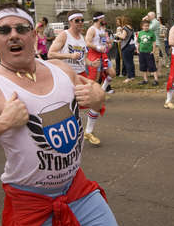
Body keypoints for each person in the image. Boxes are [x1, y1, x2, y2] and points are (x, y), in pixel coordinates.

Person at [0, 3, 129, 226]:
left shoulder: (61, 69)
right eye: (4, 30)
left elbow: (96, 94)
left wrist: (96, 97)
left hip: (78, 190)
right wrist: (2, 122)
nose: (13, 35)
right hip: (32, 204)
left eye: (21, 28)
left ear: (33, 34)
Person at [48, 10, 104, 145]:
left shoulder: (82, 38)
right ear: (70, 22)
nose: (80, 23)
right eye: (77, 20)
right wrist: (69, 56)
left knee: (97, 101)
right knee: (68, 108)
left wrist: (91, 63)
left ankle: (88, 132)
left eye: (81, 20)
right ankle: (64, 136)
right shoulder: (64, 35)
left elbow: (83, 58)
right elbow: (51, 54)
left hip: (81, 75)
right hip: (65, 75)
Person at [85, 12, 116, 91]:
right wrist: (97, 47)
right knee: (95, 78)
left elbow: (104, 41)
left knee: (112, 73)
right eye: (103, 18)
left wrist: (108, 44)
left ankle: (103, 89)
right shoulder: (92, 29)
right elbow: (87, 43)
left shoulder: (102, 29)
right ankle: (91, 93)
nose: (104, 20)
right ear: (99, 19)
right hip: (94, 55)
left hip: (103, 55)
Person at [136, 20, 158, 86]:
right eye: (145, 26)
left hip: (149, 52)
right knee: (143, 66)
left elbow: (154, 42)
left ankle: (156, 80)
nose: (146, 27)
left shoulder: (151, 33)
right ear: (142, 27)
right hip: (142, 52)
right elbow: (138, 42)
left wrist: (153, 50)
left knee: (152, 66)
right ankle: (145, 80)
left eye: (147, 26)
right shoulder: (140, 33)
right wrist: (137, 49)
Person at [117, 16, 135, 83]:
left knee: (127, 62)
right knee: (131, 62)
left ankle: (129, 77)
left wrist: (118, 34)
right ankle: (132, 76)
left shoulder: (125, 28)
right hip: (131, 46)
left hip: (125, 46)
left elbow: (123, 37)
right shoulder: (131, 27)